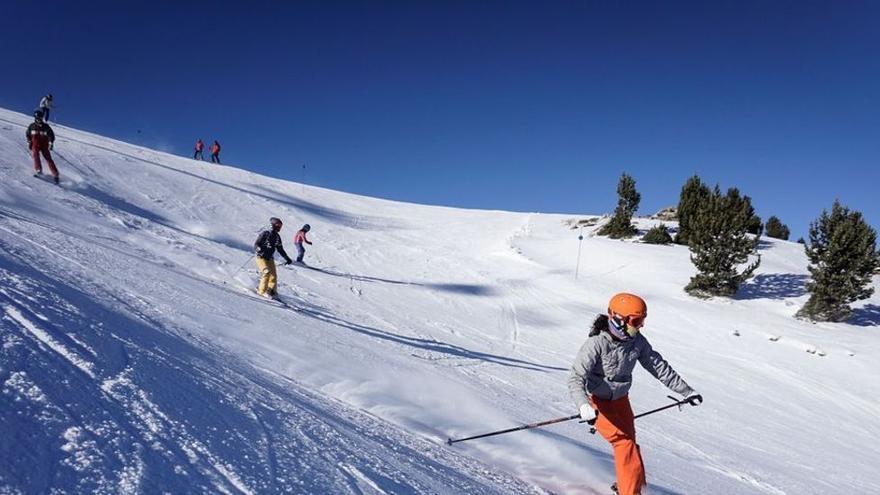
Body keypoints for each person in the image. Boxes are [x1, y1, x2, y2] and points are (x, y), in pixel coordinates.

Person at [568, 293, 702, 495]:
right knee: (624, 444)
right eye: (637, 321)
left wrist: (686, 391)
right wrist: (583, 405)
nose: (641, 326)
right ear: (619, 319)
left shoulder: (637, 342)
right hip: (597, 402)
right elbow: (576, 378)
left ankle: (628, 487)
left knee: (630, 443)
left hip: (621, 401)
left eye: (643, 320)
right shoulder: (596, 344)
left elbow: (658, 366)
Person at [253, 217, 293, 298]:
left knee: (273, 276)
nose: (279, 227)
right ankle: (261, 291)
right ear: (272, 225)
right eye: (277, 225)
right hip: (261, 257)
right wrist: (259, 249)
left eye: (280, 226)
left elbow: (280, 249)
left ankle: (271, 291)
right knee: (266, 272)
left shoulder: (277, 237)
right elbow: (256, 244)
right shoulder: (265, 234)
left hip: (270, 258)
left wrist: (287, 258)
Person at [26, 110, 59, 184]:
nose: (39, 120)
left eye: (40, 118)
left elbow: (51, 135)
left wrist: (51, 143)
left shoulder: (46, 126)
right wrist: (29, 141)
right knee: (36, 156)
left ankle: (55, 174)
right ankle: (39, 170)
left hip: (44, 145)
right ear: (35, 118)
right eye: (37, 118)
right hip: (35, 145)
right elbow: (28, 134)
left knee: (48, 159)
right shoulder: (32, 126)